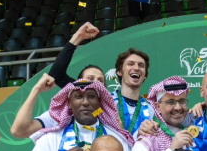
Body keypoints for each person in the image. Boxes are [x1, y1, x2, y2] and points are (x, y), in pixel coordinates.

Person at [10, 41, 156, 139]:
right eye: (130, 64)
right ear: (119, 71)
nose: (94, 84)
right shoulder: (100, 107)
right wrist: (77, 38)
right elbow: (19, 130)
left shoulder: (151, 109)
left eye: (141, 65)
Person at [18, 79, 134, 151]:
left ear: (99, 102)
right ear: (69, 103)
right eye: (79, 96)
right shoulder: (51, 138)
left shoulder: (118, 141)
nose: (85, 102)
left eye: (91, 96)